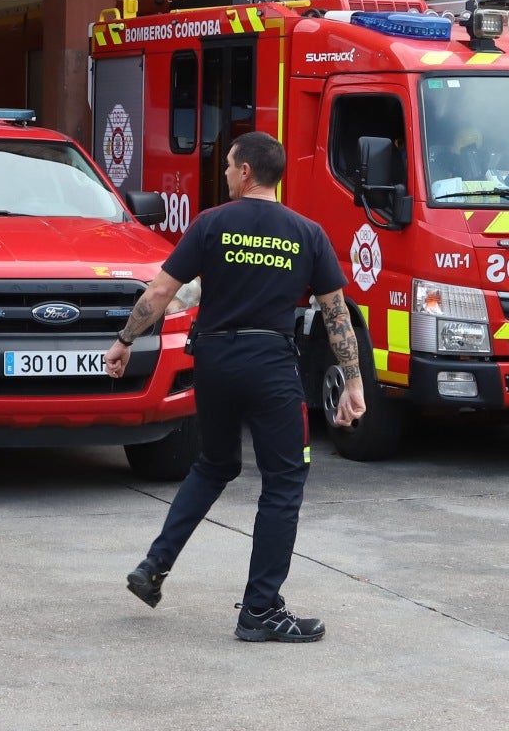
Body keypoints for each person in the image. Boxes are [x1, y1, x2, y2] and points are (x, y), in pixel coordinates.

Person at [107, 131, 368, 641]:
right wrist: (353, 381)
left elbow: (161, 291)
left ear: (246, 171)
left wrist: (123, 341)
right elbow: (336, 313)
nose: (225, 173)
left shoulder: (211, 224)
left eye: (228, 165)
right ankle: (261, 610)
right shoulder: (307, 233)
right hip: (269, 363)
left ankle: (155, 566)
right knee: (284, 482)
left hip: (216, 361)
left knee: (216, 464)